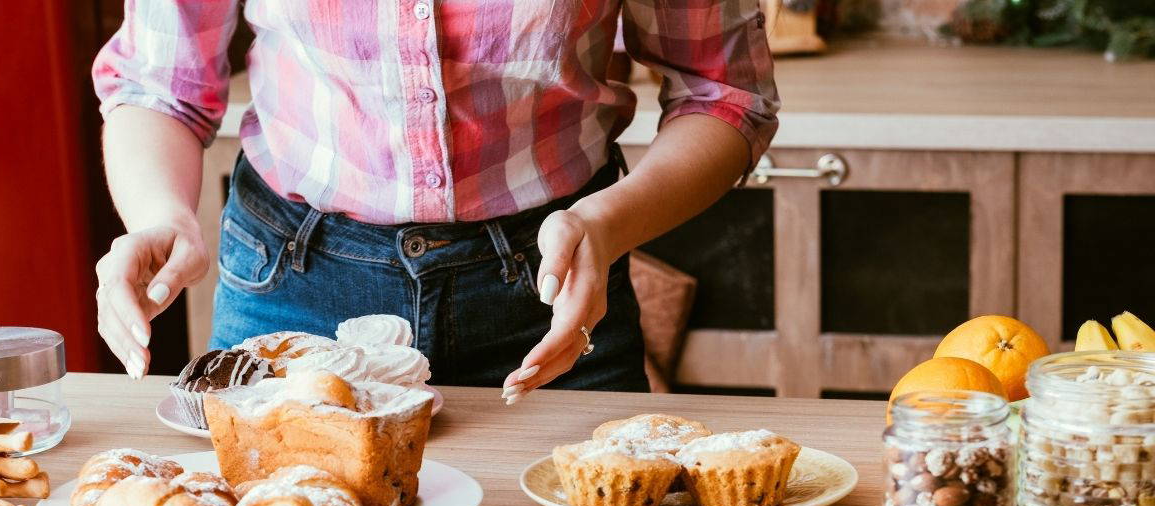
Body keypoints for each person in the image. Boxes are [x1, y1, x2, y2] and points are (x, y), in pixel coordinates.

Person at [91, 1, 778, 403]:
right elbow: (159, 84)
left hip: (547, 297)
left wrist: (608, 222)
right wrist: (160, 214)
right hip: (290, 292)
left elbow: (724, 93)